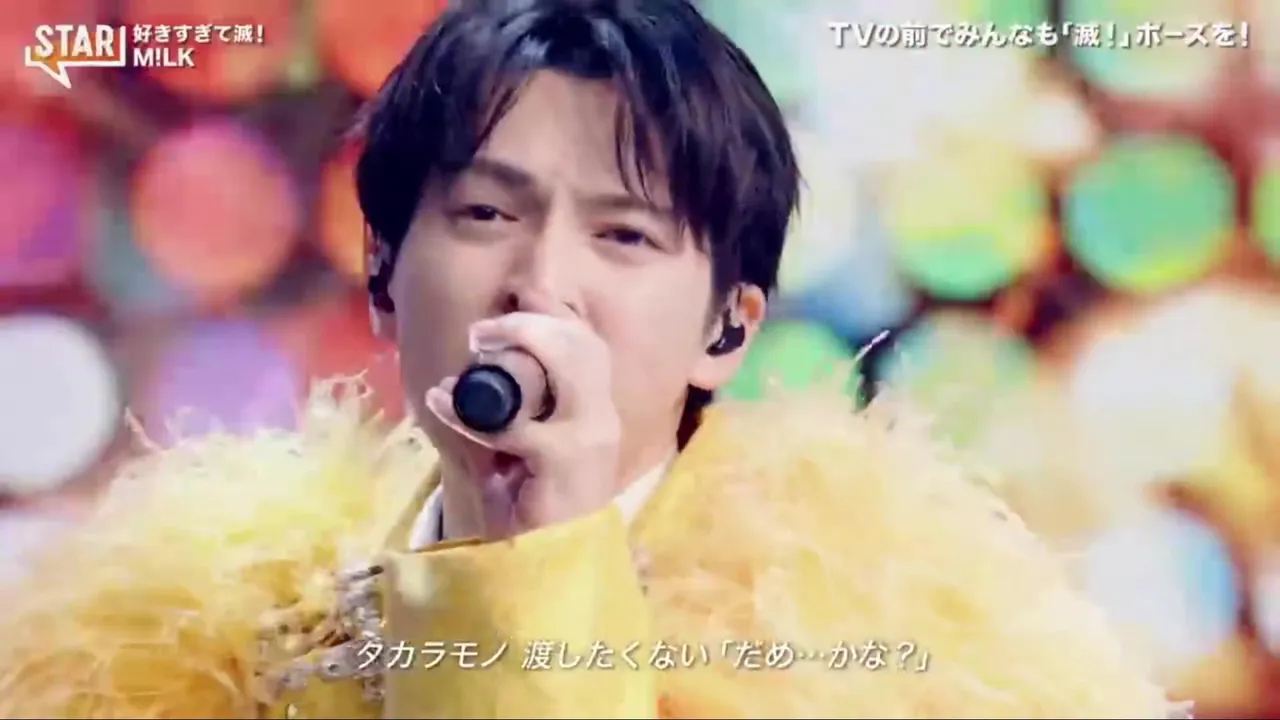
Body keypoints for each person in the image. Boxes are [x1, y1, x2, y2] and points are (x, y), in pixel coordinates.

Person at [0, 0, 1185, 717]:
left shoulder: (898, 643)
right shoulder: (192, 641)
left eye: (622, 235)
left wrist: (539, 558)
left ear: (727, 330)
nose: (540, 281)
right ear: (382, 273)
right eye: (484, 215)